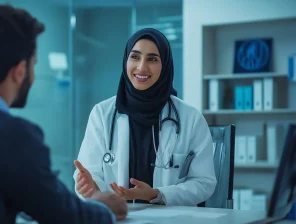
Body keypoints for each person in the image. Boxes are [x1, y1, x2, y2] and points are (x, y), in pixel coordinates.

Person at [0, 3, 127, 224]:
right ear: (19, 71)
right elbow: (67, 217)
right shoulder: (10, 135)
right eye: (33, 65)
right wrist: (104, 207)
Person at [73, 28, 217, 206]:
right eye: (135, 57)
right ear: (126, 60)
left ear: (164, 64)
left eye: (152, 59)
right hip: (119, 217)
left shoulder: (190, 118)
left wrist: (156, 194)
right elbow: (91, 172)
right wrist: (91, 187)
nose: (141, 67)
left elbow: (204, 183)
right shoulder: (102, 114)